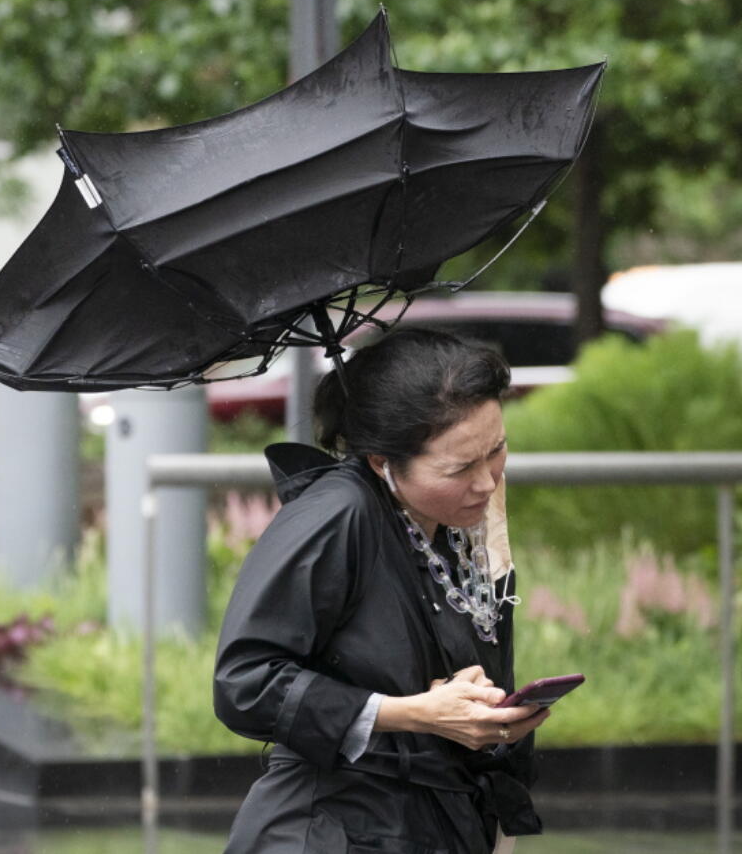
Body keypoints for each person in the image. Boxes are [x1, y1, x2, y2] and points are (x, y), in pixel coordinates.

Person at [214, 327, 549, 854]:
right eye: (460, 467)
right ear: (381, 462)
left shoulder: (460, 519)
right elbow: (245, 683)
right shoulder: (334, 517)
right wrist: (415, 712)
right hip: (331, 830)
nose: (486, 481)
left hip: (435, 824)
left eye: (497, 450)